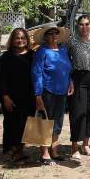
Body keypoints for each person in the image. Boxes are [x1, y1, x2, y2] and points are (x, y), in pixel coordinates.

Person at [32, 26, 72, 165]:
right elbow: (36, 73)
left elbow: (67, 69)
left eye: (56, 33)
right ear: (45, 37)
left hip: (62, 92)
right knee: (44, 122)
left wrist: (70, 82)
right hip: (47, 91)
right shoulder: (41, 51)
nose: (54, 35)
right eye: (50, 34)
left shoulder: (63, 51)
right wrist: (38, 95)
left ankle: (54, 150)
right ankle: (44, 153)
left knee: (57, 122)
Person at [0, 28, 34, 163]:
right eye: (17, 38)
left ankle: (20, 150)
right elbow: (1, 79)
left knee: (25, 125)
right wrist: (5, 96)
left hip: (29, 97)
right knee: (12, 124)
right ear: (12, 40)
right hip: (11, 97)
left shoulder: (32, 55)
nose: (20, 40)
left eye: (23, 38)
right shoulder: (6, 57)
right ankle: (13, 151)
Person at [67, 15, 90, 160]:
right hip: (78, 77)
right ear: (77, 26)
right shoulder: (71, 42)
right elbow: (66, 61)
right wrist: (69, 79)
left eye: (87, 24)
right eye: (81, 24)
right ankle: (74, 146)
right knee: (77, 112)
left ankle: (86, 144)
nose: (84, 27)